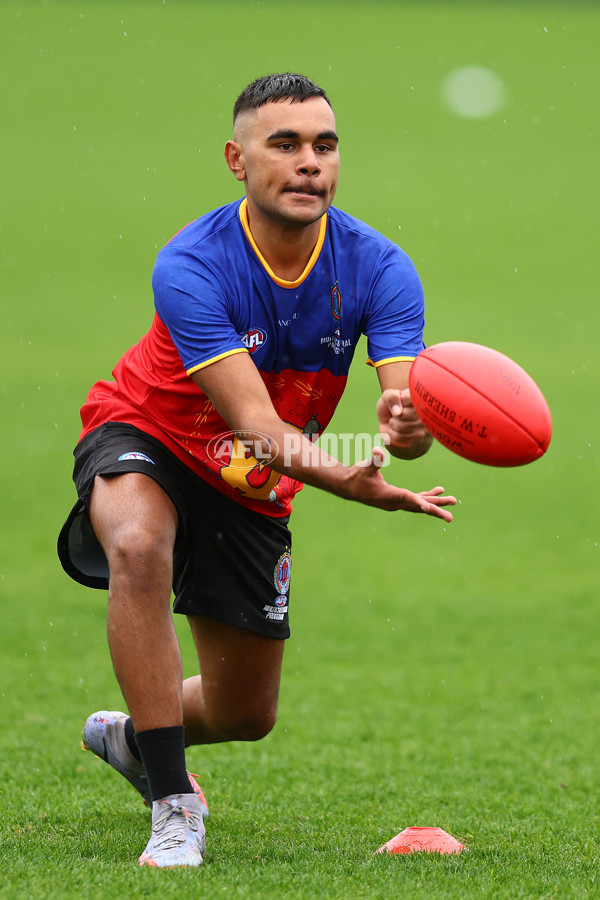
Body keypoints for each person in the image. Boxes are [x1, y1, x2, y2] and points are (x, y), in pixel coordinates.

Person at [58, 72, 456, 869]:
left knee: (246, 711)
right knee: (139, 543)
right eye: (286, 145)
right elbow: (256, 423)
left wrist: (408, 430)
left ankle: (136, 738)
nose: (310, 162)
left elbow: (403, 422)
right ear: (237, 160)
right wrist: (349, 480)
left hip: (251, 481)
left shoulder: (381, 268)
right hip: (150, 433)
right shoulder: (192, 264)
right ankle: (174, 807)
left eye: (325, 145)